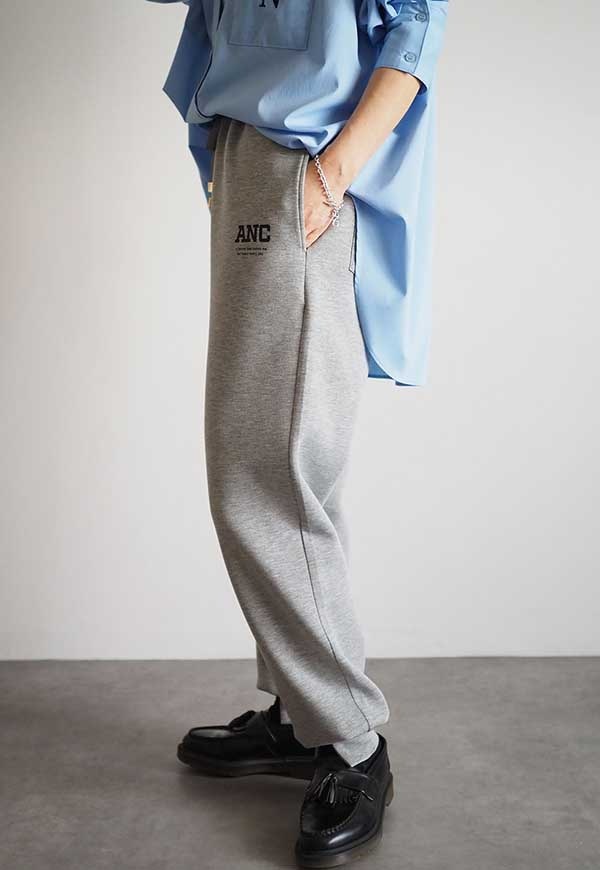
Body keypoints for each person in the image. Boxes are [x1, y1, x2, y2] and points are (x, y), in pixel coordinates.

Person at [147, 0, 449, 864]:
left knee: (266, 473)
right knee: (280, 464)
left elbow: (418, 28)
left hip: (304, 163)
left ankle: (351, 741)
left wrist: (331, 172)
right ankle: (298, 713)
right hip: (248, 153)